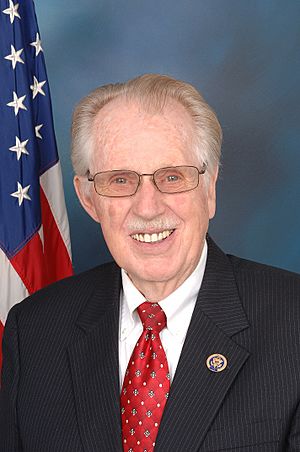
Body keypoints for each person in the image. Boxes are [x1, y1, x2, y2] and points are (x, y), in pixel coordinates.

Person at [1, 74, 300, 452]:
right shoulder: (34, 331)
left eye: (172, 177)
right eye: (121, 180)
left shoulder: (293, 324)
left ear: (210, 189)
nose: (147, 207)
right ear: (89, 199)